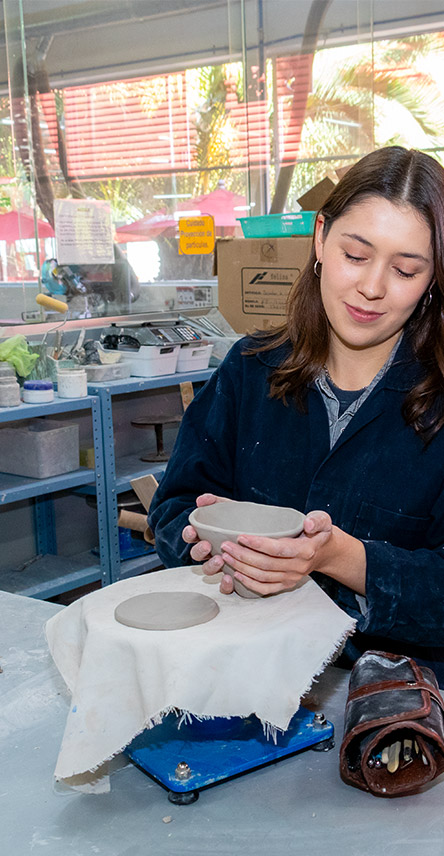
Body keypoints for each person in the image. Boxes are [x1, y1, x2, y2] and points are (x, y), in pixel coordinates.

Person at [148, 145, 444, 683]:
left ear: (431, 280)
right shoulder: (249, 370)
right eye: (356, 255)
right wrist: (203, 545)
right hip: (243, 671)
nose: (372, 288)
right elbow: (173, 506)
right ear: (320, 238)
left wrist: (340, 558)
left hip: (388, 705)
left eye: (405, 270)